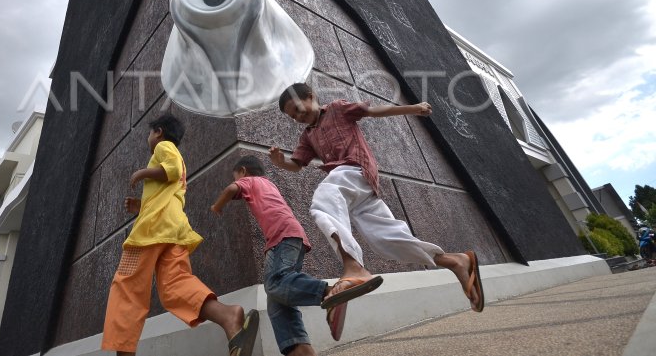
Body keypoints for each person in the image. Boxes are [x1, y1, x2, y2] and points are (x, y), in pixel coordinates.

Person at [268, 83, 484, 313]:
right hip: (356, 190)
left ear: (311, 97)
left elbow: (372, 112)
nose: (298, 117)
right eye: (292, 117)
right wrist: (282, 163)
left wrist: (412, 108)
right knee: (386, 241)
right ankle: (456, 261)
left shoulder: (337, 109)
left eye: (298, 109)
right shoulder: (308, 136)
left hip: (355, 170)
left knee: (324, 200)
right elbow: (297, 164)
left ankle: (353, 266)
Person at [102, 113, 260, 356]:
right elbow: (166, 191)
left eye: (150, 133)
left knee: (127, 287)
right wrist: (141, 205)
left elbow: (171, 170)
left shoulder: (164, 147)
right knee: (175, 286)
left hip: (152, 231)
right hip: (172, 230)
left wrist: (143, 173)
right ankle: (228, 316)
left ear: (159, 132)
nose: (149, 138)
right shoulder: (173, 157)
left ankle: (124, 352)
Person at [211, 156, 374, 352]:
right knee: (279, 306)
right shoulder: (268, 184)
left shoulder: (249, 181)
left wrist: (217, 206)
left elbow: (231, 189)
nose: (237, 180)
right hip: (293, 236)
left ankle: (330, 292)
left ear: (243, 172)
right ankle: (301, 351)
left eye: (236, 176)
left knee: (275, 283)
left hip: (281, 237)